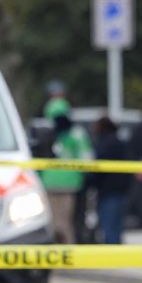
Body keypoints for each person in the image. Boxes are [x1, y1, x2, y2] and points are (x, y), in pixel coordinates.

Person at [39, 102, 93, 244]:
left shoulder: (45, 133)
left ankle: (60, 257)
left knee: (55, 224)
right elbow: (87, 159)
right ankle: (68, 257)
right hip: (70, 184)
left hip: (50, 183)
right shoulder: (77, 133)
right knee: (66, 224)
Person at [88, 115, 133, 244]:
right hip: (118, 191)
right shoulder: (119, 143)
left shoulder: (106, 144)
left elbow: (98, 168)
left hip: (109, 192)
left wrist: (91, 182)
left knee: (109, 228)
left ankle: (112, 259)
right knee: (115, 228)